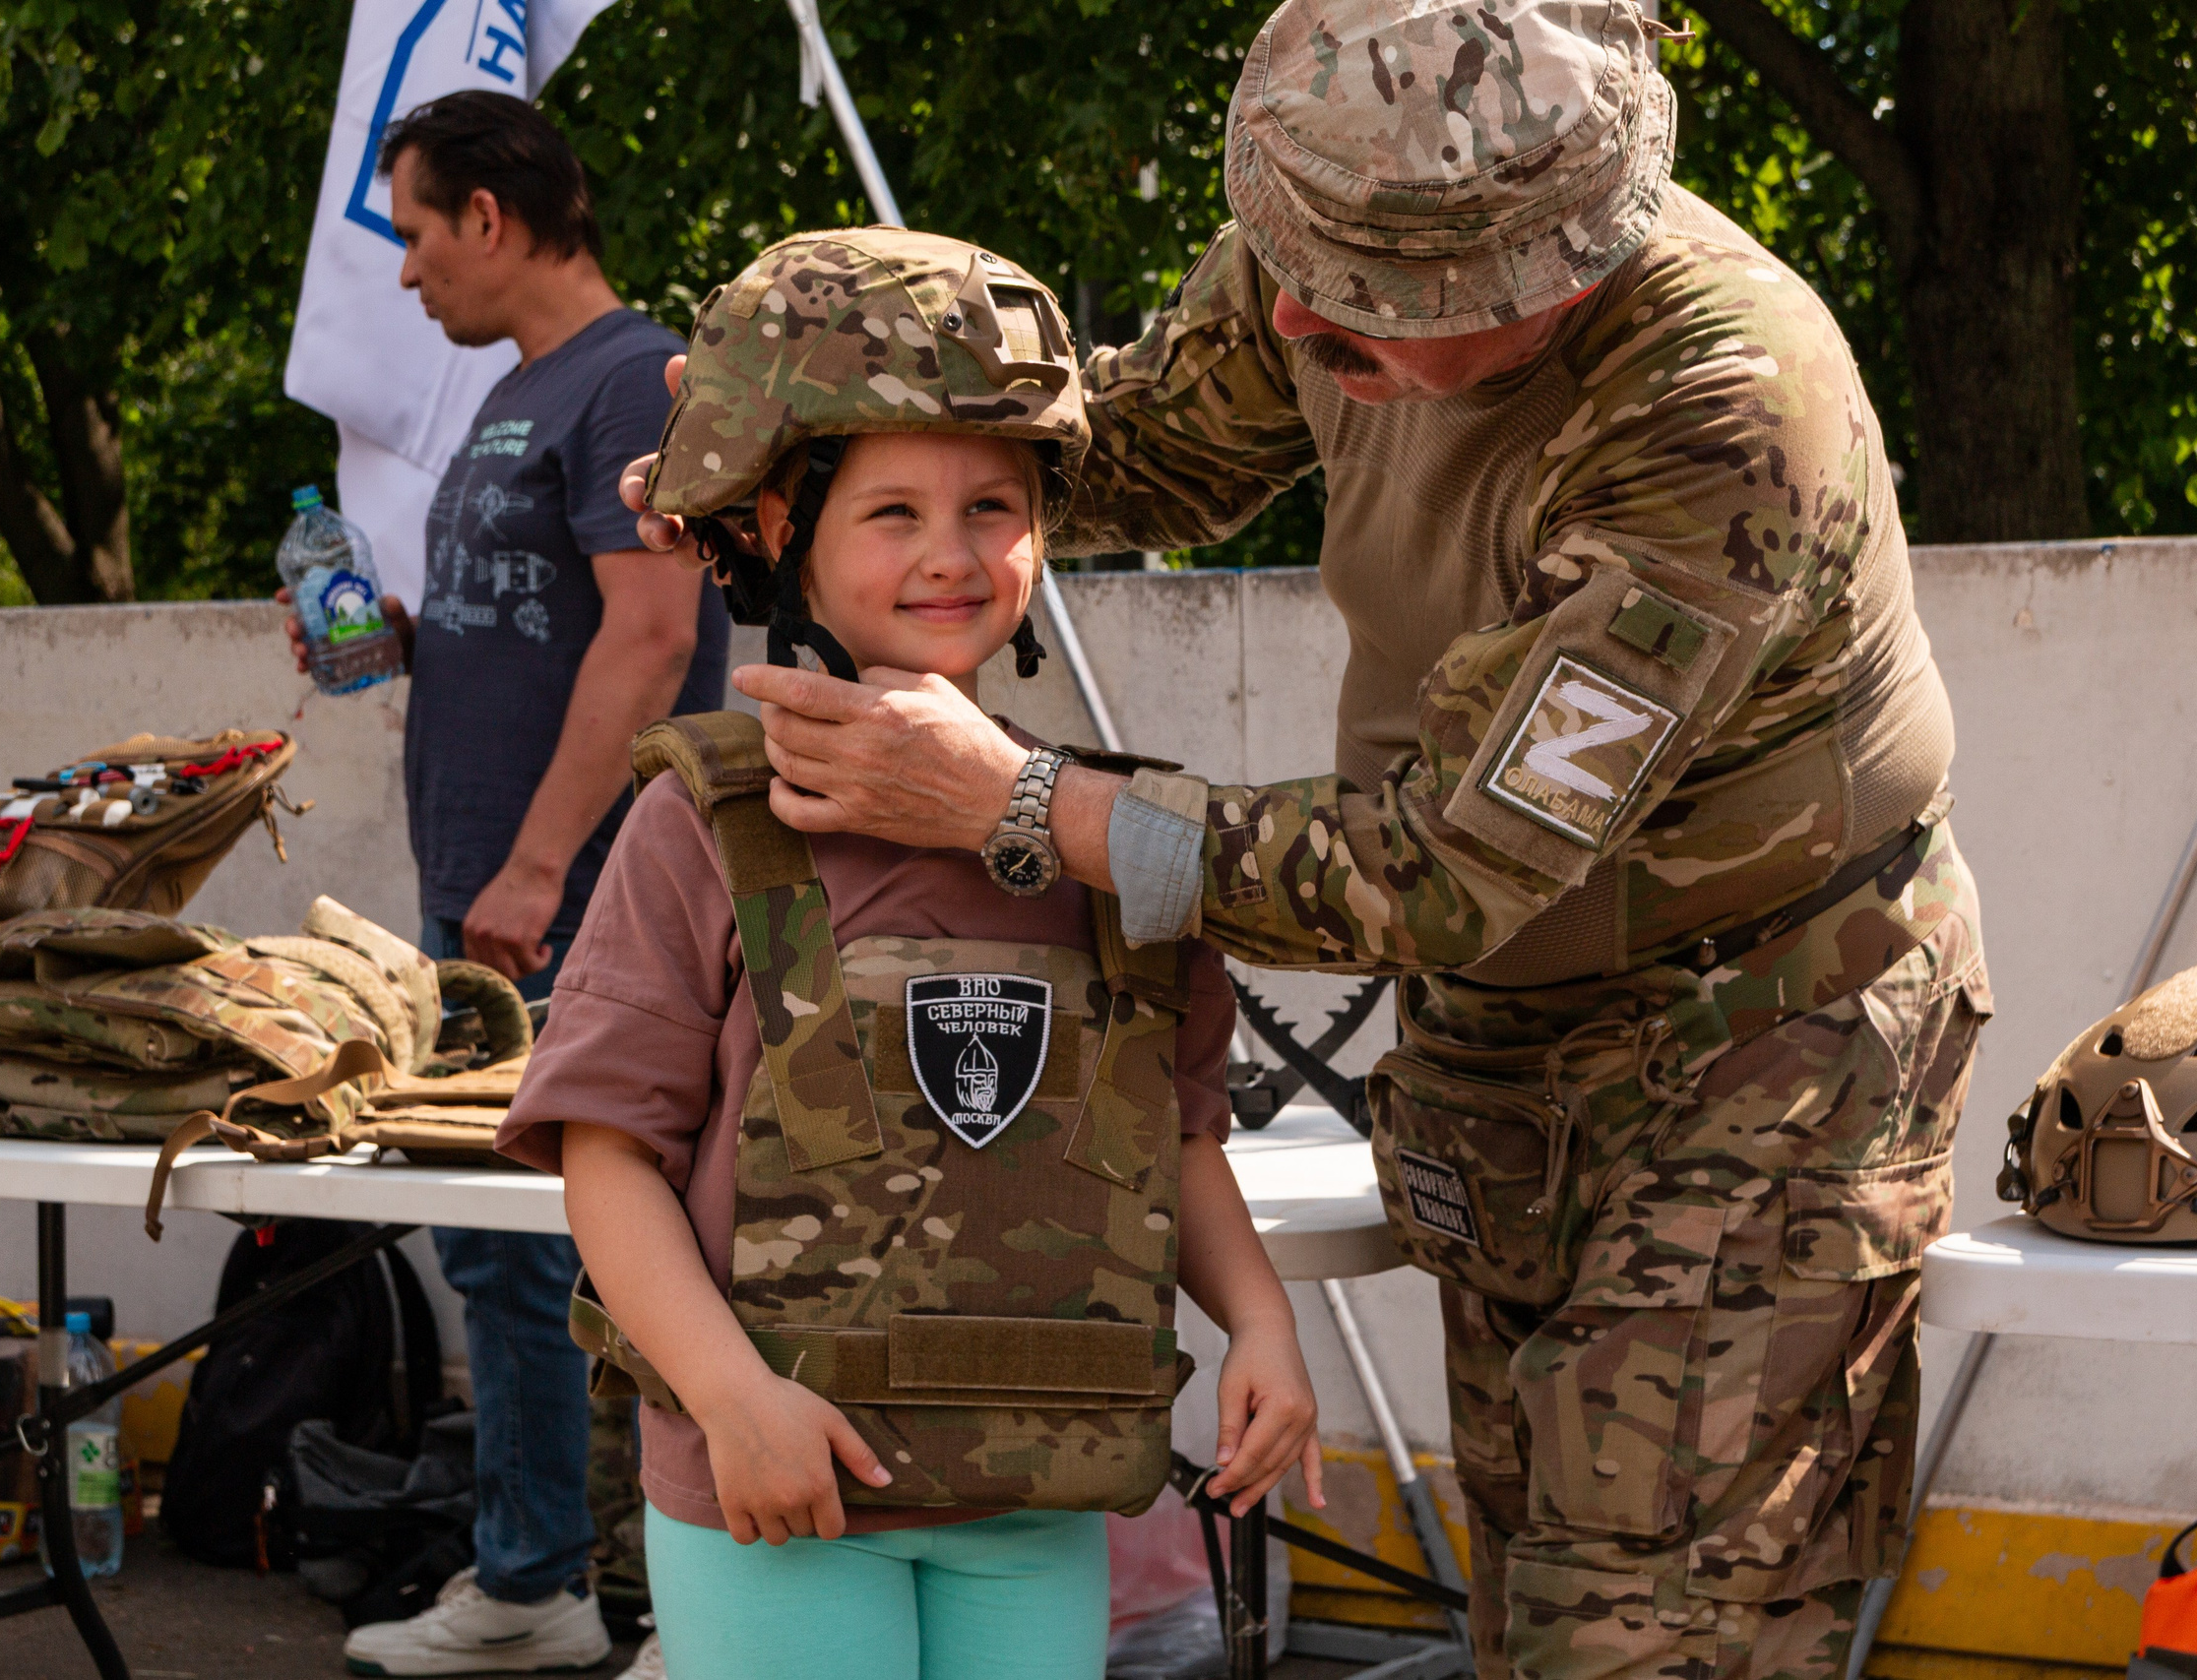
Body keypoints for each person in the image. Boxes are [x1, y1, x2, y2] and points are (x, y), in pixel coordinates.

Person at [618, 4, 1991, 1677]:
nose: (1286, 318)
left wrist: (1029, 807)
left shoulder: (1719, 418)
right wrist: (788, 429)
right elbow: (1122, 454)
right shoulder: (1348, 216)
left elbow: (1444, 872)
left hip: (1756, 1041)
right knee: (1540, 1606)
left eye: (1353, 311)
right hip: (1506, 1042)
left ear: (1538, 285)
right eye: (1283, 263)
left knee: (1651, 1637)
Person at [496, 229, 1323, 1680]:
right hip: (782, 1491)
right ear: (778, 530)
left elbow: (1179, 1139)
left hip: (1035, 1488)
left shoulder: (1101, 843)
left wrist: (1260, 1325)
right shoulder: (707, 829)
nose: (951, 552)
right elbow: (604, 1155)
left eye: (993, 504)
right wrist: (730, 1399)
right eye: (889, 510)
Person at [283, 90, 726, 1678]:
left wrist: (544, 863)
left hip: (590, 892)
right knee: (501, 1250)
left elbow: (656, 631)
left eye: (415, 233)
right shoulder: (522, 391)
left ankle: (705, 1613)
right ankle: (537, 1581)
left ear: (492, 215)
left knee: (660, 1246)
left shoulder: (640, 378)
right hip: (487, 899)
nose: (407, 276)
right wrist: (396, 637)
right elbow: (542, 612)